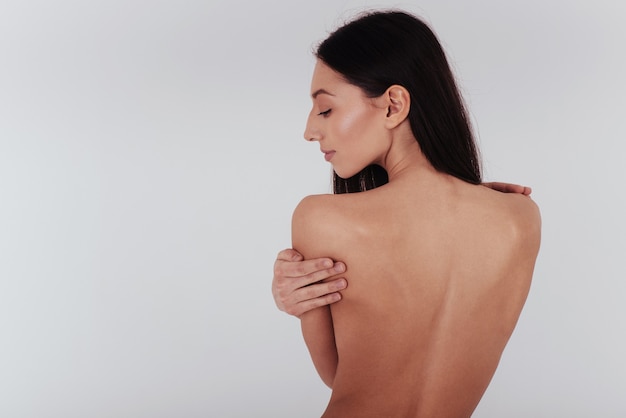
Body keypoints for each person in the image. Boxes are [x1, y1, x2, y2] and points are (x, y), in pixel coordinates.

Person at [274, 9, 541, 417]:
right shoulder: (522, 220)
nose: (310, 131)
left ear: (393, 104)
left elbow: (339, 376)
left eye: (325, 110)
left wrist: (303, 305)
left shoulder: (320, 219)